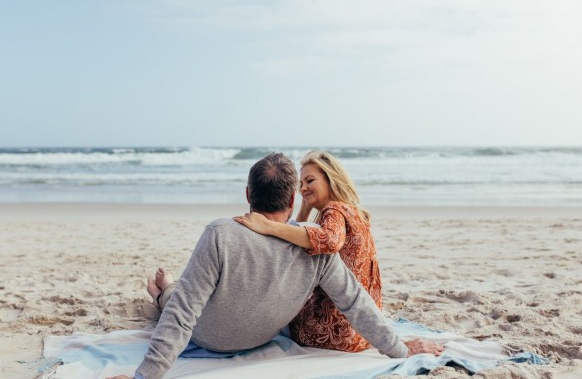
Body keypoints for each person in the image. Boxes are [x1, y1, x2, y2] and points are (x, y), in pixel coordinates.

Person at [107, 153, 443, 379]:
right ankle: (164, 290)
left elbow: (182, 315)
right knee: (190, 291)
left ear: (248, 193)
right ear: (293, 200)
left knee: (175, 296)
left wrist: (144, 376)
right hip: (260, 336)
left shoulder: (221, 233)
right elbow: (356, 303)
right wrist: (400, 348)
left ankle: (161, 292)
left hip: (209, 337)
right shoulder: (314, 242)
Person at [234, 151, 380, 352]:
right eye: (300, 184)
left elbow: (329, 240)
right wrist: (305, 205)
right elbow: (301, 232)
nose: (303, 188)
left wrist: (268, 226)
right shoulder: (351, 211)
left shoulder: (334, 211)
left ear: (331, 180)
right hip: (363, 331)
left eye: (310, 181)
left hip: (333, 333)